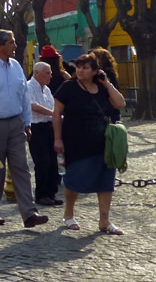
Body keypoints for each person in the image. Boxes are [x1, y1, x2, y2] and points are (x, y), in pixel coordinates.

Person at [0, 29, 48, 228]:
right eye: (11, 42)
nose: (15, 45)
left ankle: (29, 213)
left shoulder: (16, 67)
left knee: (21, 168)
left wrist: (27, 122)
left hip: (15, 123)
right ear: (0, 45)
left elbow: (24, 96)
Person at [53, 52, 127, 234]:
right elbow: (56, 114)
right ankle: (69, 214)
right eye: (78, 67)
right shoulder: (68, 88)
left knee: (105, 181)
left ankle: (104, 221)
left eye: (85, 67)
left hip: (103, 141)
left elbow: (120, 103)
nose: (80, 70)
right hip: (76, 141)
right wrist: (57, 138)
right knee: (74, 178)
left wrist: (106, 83)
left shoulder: (102, 87)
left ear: (95, 70)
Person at [27, 61, 61, 207]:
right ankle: (41, 194)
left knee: (53, 161)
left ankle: (51, 193)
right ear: (37, 73)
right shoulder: (29, 86)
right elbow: (34, 106)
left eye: (50, 72)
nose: (50, 75)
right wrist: (54, 114)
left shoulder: (46, 89)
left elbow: (53, 106)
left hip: (48, 126)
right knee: (42, 161)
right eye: (47, 72)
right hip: (36, 127)